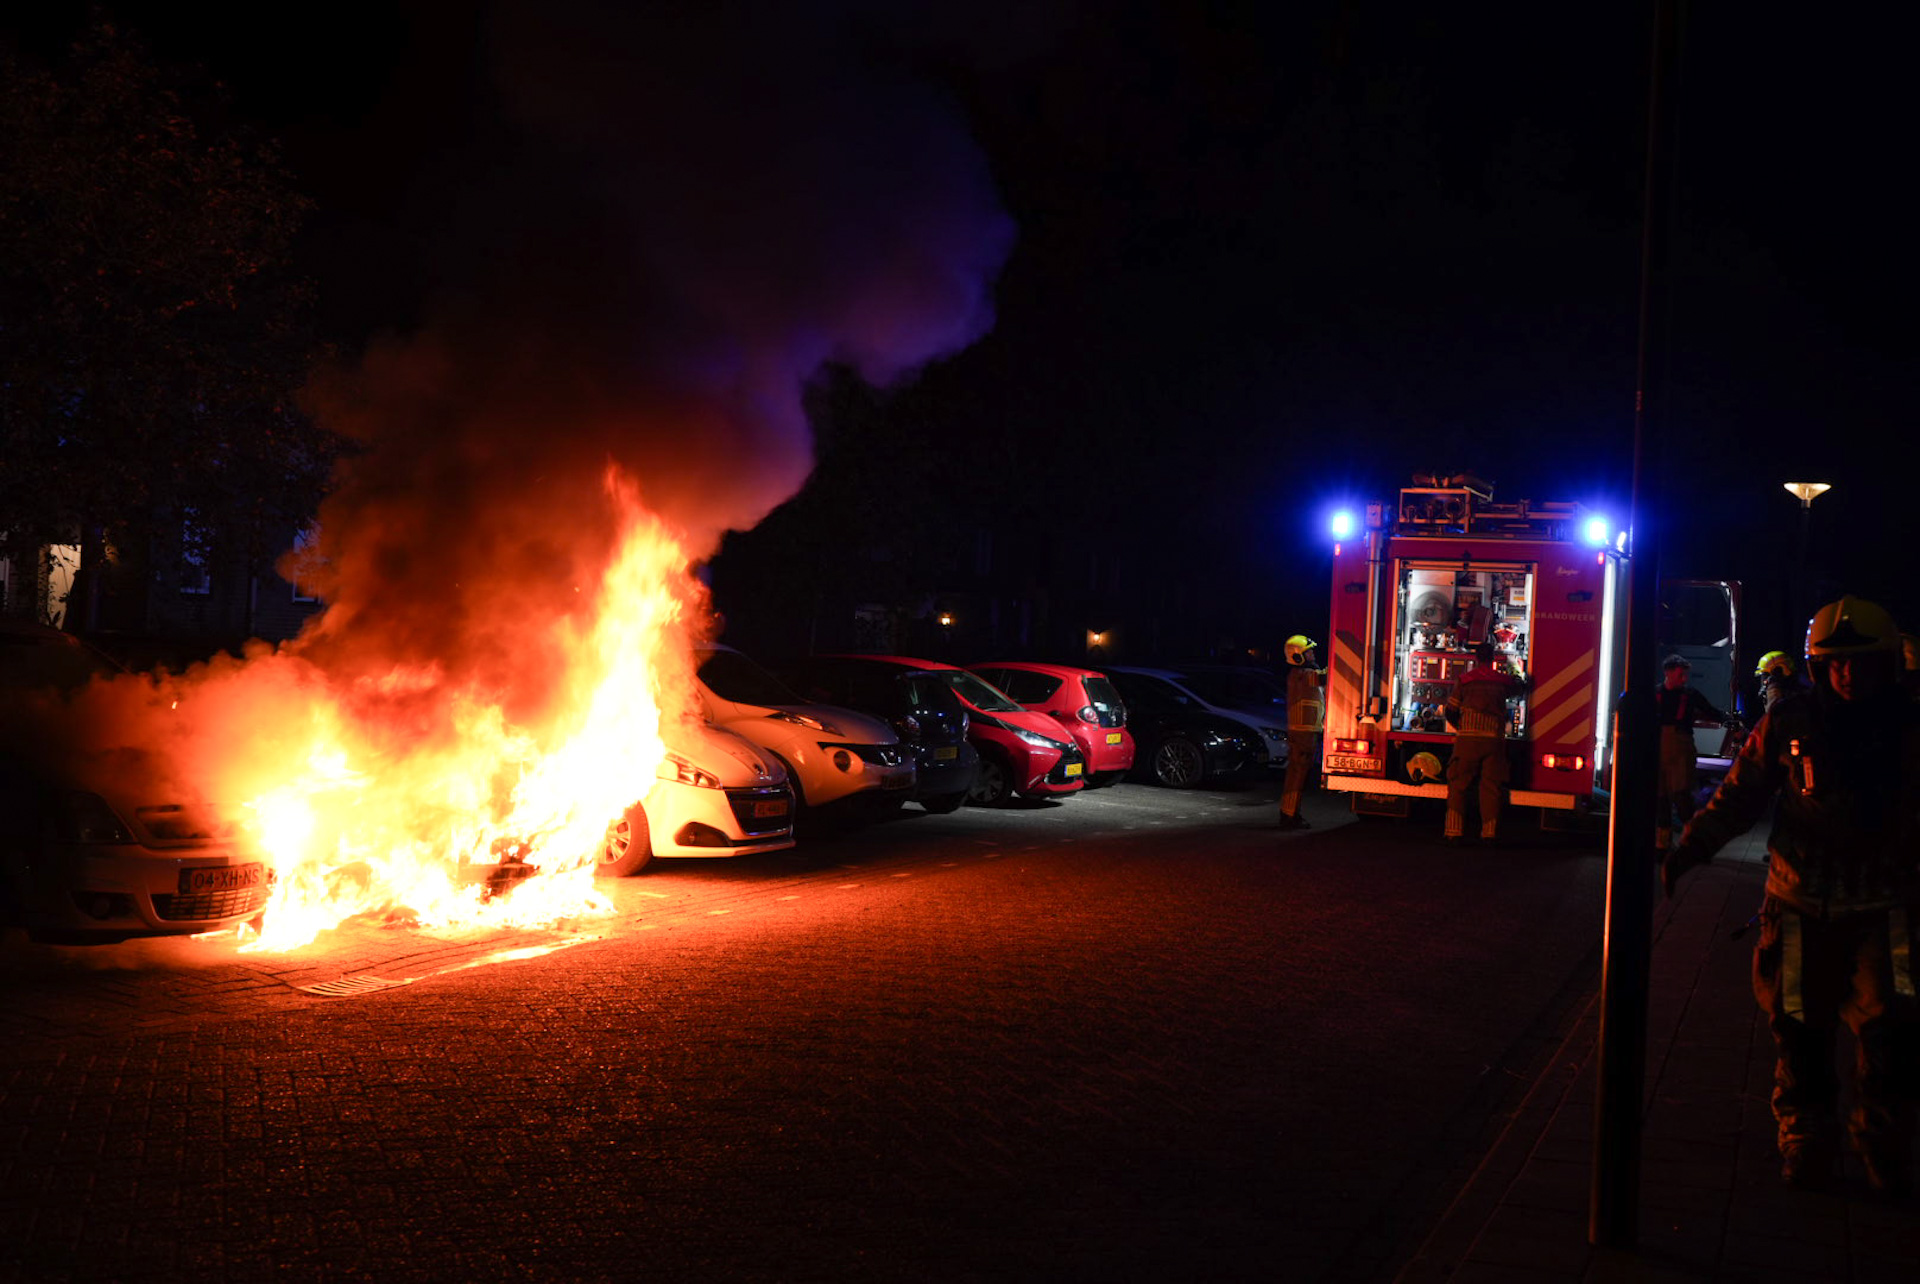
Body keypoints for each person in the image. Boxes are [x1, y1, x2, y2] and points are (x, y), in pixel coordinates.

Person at [1664, 596, 1920, 1193]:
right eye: (1835, 664)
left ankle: (1881, 1143)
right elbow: (1741, 792)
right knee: (1800, 1033)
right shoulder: (1790, 722)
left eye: (1861, 663)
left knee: (1893, 1037)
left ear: (1889, 665)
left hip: (1889, 914)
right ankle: (1805, 1140)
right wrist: (1691, 848)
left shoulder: (1911, 729)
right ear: (1816, 665)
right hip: (1801, 907)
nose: (1848, 675)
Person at [1442, 641, 1527, 845]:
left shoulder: (1465, 680)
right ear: (1493, 658)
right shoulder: (1502, 681)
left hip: (1468, 740)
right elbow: (1520, 689)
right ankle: (1489, 834)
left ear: (1476, 658)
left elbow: (1450, 710)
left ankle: (1454, 832)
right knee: (1491, 787)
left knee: (1458, 784)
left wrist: (1461, 726)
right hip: (1494, 741)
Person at [1655, 654, 1728, 851]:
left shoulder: (1690, 695)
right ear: (1667, 673)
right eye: (1681, 675)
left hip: (1681, 749)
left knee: (1682, 796)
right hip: (1658, 749)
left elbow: (1712, 711)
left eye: (1685, 675)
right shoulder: (1655, 695)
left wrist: (1730, 721)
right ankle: (1662, 844)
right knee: (1660, 798)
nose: (1684, 679)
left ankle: (1691, 843)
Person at [1276, 634, 1325, 830]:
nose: (1312, 655)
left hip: (1305, 732)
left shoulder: (1304, 674)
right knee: (1297, 774)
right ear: (1297, 656)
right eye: (1308, 652)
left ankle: (1290, 814)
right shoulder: (1302, 675)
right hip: (1302, 733)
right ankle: (1289, 815)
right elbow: (1326, 676)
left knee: (1298, 774)